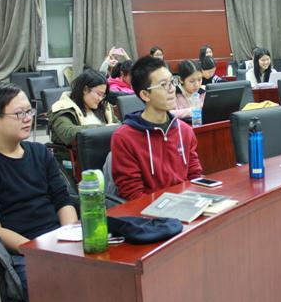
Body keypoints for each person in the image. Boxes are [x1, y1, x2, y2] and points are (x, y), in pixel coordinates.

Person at [0, 83, 77, 300]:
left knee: (111, 266)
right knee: (62, 283)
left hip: (58, 240)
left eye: (29, 111)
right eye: (19, 113)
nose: (28, 118)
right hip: (19, 252)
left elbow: (63, 200)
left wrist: (70, 237)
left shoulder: (40, 152)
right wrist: (40, 250)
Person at [111, 56, 203, 200]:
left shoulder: (185, 130)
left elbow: (195, 177)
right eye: (164, 85)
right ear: (145, 95)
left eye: (171, 82)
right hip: (150, 210)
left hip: (187, 203)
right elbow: (133, 194)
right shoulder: (124, 137)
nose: (172, 89)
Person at [49, 69, 119, 146]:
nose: (100, 99)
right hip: (77, 152)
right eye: (99, 94)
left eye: (103, 95)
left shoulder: (104, 107)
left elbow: (118, 125)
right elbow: (68, 133)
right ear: (85, 89)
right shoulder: (62, 108)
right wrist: (104, 128)